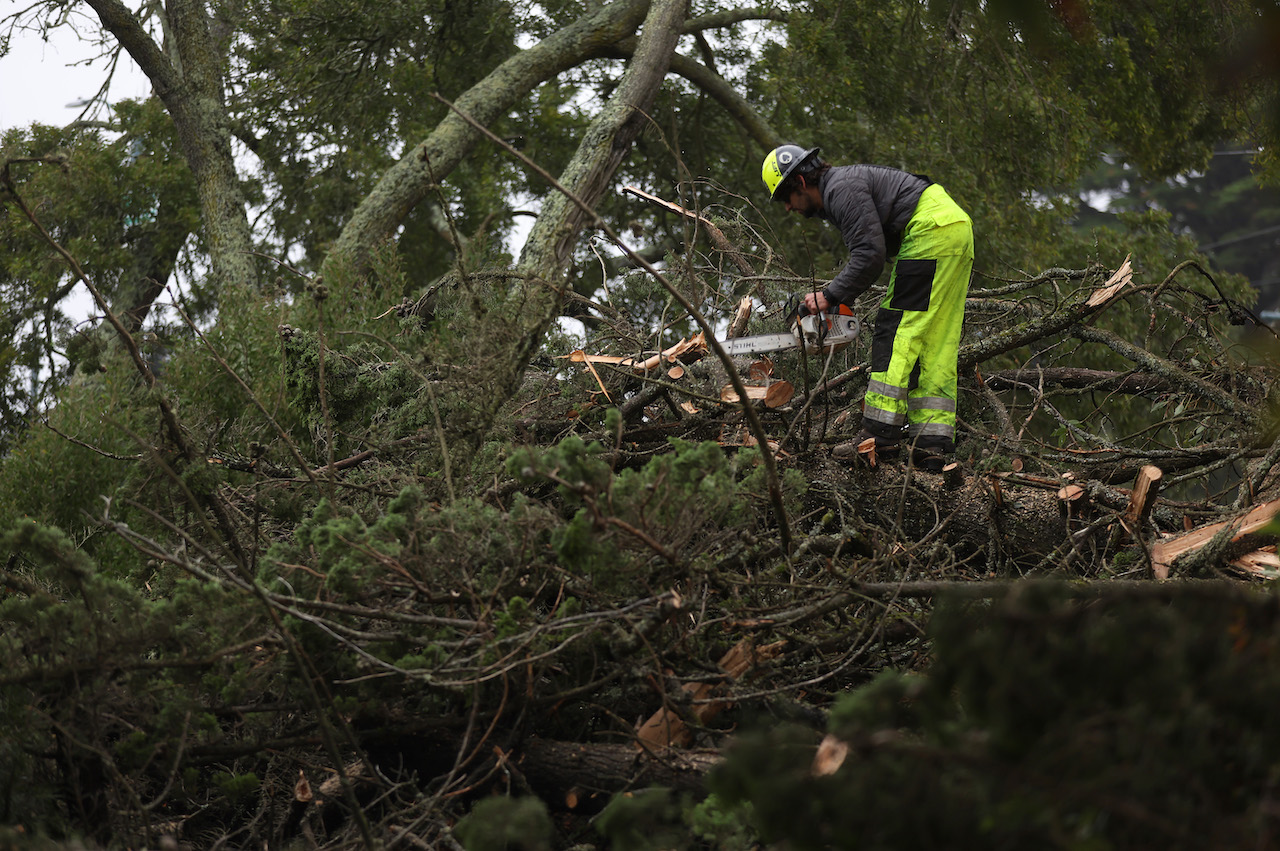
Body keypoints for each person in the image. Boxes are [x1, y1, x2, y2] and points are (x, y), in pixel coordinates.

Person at [761, 144, 974, 469]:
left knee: (894, 331)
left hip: (931, 231)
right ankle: (931, 444)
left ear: (800, 184)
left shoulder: (840, 189)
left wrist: (829, 296)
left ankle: (880, 434)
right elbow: (869, 254)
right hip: (955, 229)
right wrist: (842, 298)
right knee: (936, 341)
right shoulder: (843, 188)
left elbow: (869, 256)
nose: (788, 208)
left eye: (784, 198)